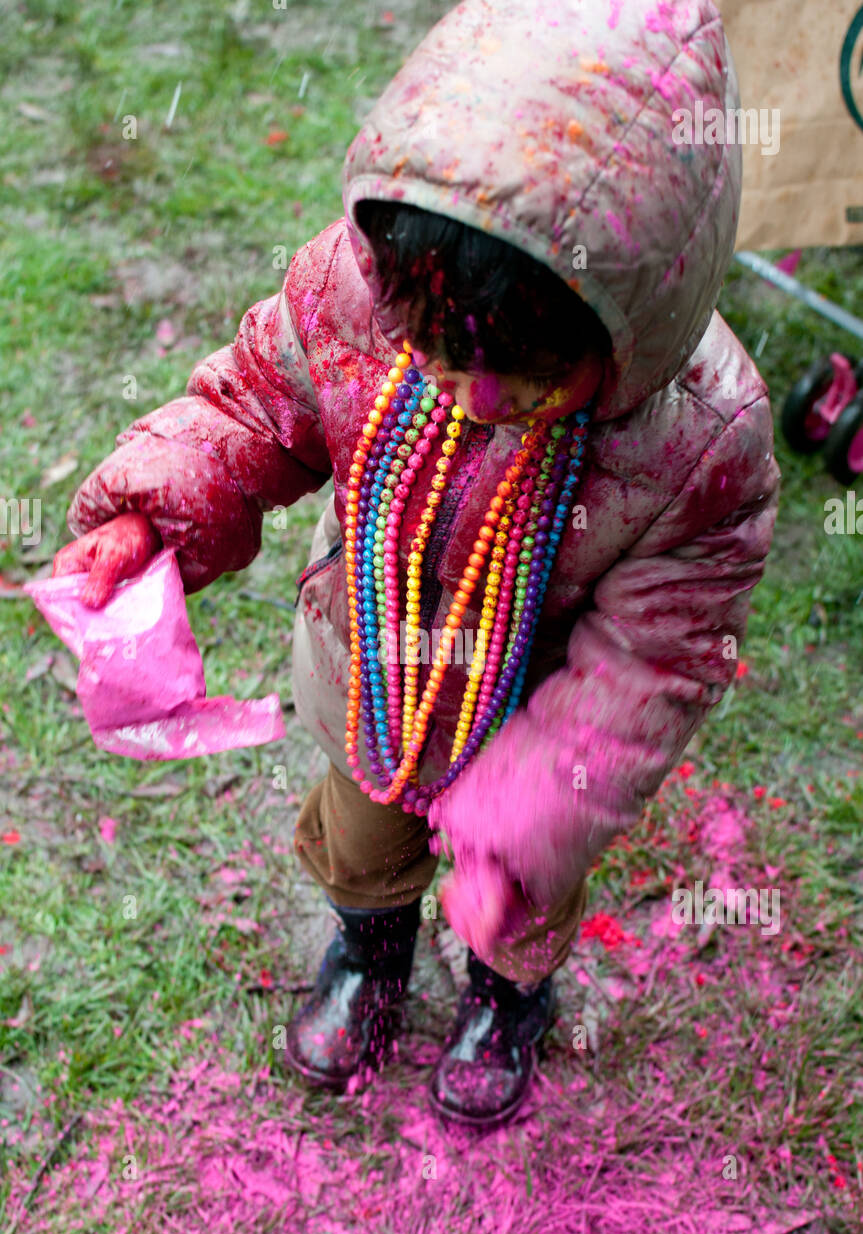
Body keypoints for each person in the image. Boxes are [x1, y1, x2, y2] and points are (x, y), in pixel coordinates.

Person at [53, 0, 780, 1127]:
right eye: (437, 353)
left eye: (527, 375)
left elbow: (657, 658)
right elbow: (254, 409)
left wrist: (523, 818)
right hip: (369, 672)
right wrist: (148, 516)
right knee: (358, 841)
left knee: (519, 899)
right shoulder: (351, 289)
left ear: (634, 314)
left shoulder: (700, 440)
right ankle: (372, 948)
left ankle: (504, 997)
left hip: (536, 714)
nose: (474, 399)